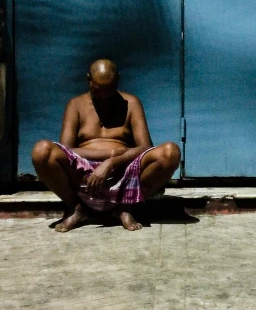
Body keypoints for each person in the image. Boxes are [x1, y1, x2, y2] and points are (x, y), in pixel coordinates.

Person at [31, 59, 181, 232]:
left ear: (118, 80)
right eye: (97, 90)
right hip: (84, 173)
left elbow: (146, 147)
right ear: (88, 80)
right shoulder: (76, 105)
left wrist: (112, 162)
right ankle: (77, 208)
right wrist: (110, 154)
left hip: (123, 169)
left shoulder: (131, 103)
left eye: (108, 90)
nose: (103, 96)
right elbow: (66, 150)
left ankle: (125, 207)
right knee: (41, 151)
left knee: (170, 153)